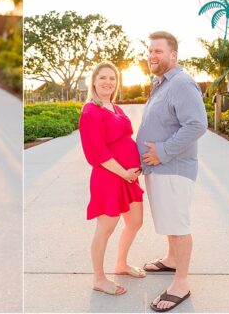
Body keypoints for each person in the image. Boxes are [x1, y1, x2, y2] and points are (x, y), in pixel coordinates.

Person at [137, 32, 208, 313]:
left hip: (173, 167)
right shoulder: (161, 83)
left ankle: (181, 283)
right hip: (160, 167)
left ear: (173, 55)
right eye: (150, 51)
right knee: (169, 220)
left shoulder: (181, 83)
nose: (152, 55)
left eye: (158, 51)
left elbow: (196, 125)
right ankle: (171, 259)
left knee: (178, 225)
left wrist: (163, 151)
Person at [79, 61, 146, 297]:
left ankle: (121, 264)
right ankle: (99, 278)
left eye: (112, 78)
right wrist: (124, 172)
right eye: (103, 78)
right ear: (94, 82)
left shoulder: (115, 108)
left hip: (128, 178)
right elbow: (97, 153)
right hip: (109, 177)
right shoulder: (91, 111)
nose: (108, 82)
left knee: (135, 221)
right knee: (105, 229)